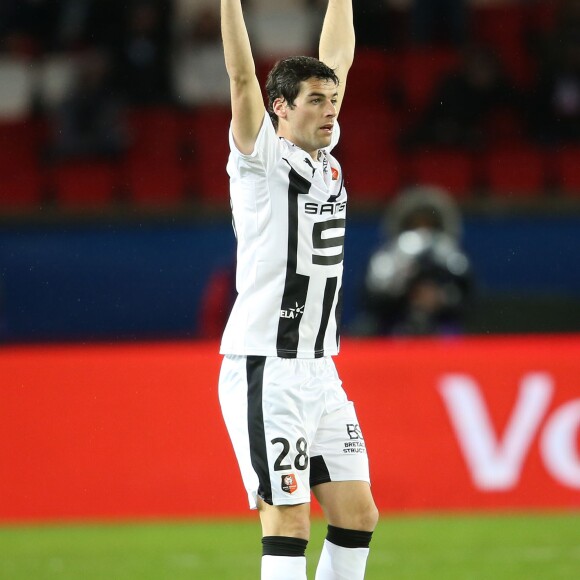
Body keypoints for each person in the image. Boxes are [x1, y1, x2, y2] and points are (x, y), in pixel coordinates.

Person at [217, 1, 379, 579]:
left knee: (358, 513)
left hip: (319, 367)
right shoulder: (260, 159)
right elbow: (240, 75)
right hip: (268, 365)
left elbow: (340, 56)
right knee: (287, 521)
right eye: (316, 100)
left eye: (333, 100)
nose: (331, 110)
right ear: (279, 108)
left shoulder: (326, 159)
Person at [351, 186, 474, 337]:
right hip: (395, 330)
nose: (422, 232)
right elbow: (371, 299)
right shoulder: (386, 258)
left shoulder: (452, 257)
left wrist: (440, 298)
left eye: (429, 225)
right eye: (416, 225)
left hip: (442, 332)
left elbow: (468, 296)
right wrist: (405, 292)